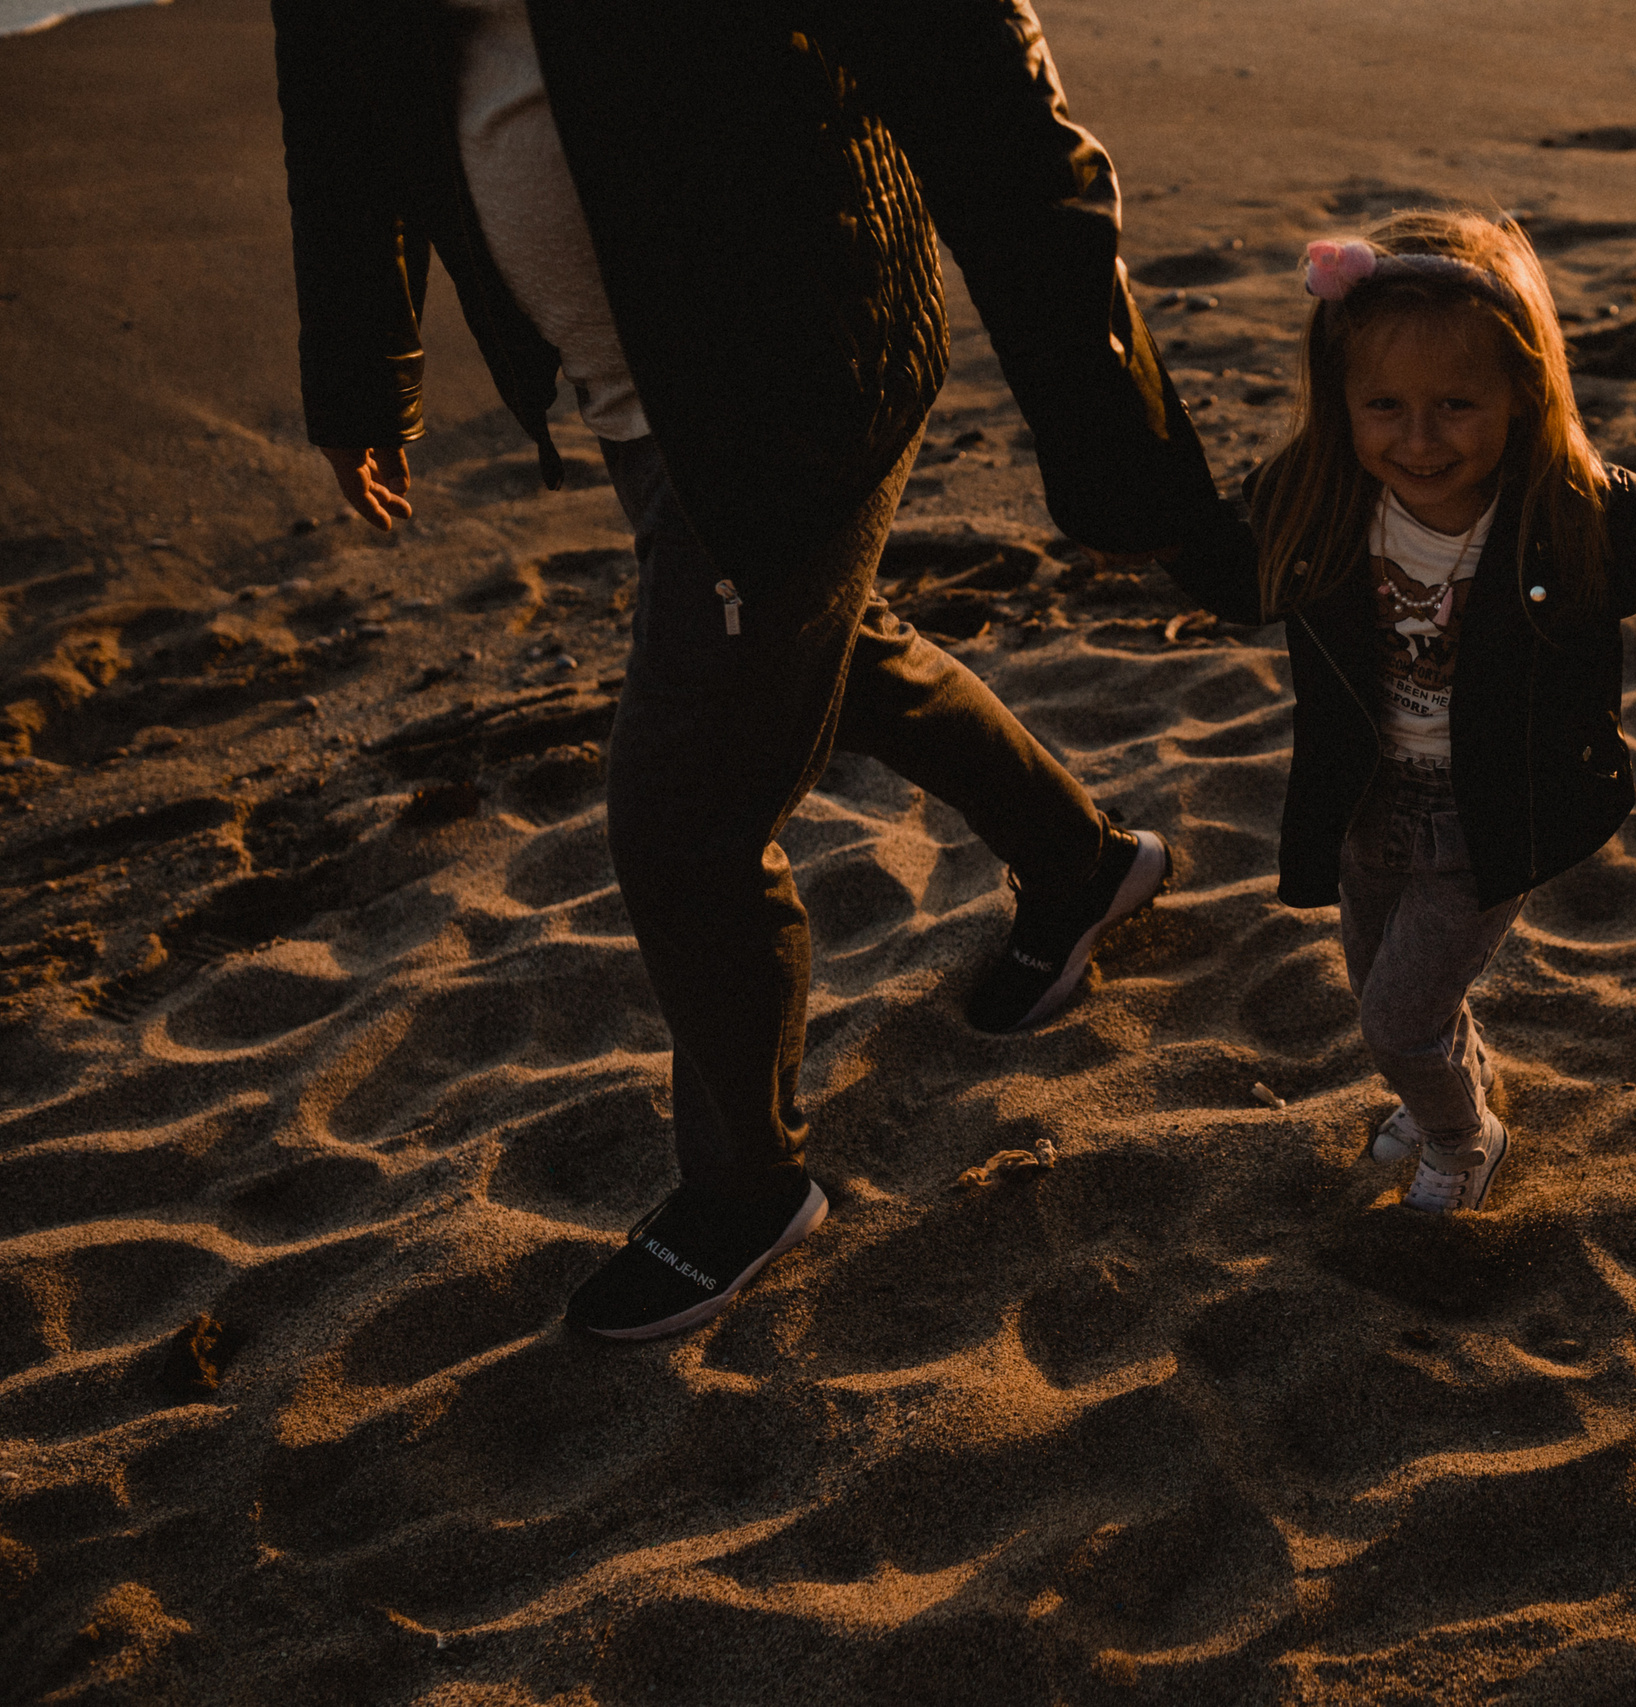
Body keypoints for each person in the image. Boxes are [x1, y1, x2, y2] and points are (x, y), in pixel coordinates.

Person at [272, 0, 1224, 1339]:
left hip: (796, 359)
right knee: (836, 646)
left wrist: (1133, 464)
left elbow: (986, 95)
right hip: (640, 396)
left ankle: (745, 1186)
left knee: (681, 816)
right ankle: (1082, 866)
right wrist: (364, 384)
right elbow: (342, 106)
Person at [1161, 212, 1636, 1214]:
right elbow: (1233, 577)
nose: (1418, 439)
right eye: (1385, 406)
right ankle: (1440, 1079)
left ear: (1521, 393)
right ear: (1340, 402)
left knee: (1398, 1021)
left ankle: (1461, 1134)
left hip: (1487, 811)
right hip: (1365, 800)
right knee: (1386, 995)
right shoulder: (1312, 501)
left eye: (1455, 404)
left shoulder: (1567, 516)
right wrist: (1143, 528)